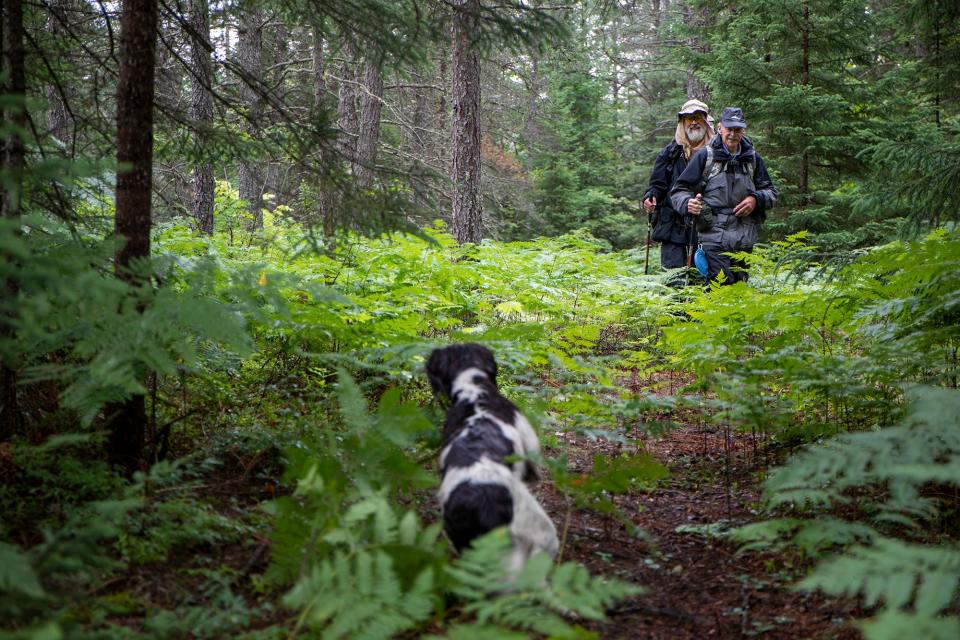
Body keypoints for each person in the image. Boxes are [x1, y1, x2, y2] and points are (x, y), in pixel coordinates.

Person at [670, 107, 778, 284]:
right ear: (720, 128)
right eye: (729, 129)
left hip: (744, 236)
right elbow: (679, 190)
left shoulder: (753, 159)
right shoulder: (705, 156)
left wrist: (755, 199)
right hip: (713, 234)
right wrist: (688, 203)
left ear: (743, 130)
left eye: (738, 130)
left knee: (739, 286)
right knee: (720, 284)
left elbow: (771, 192)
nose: (733, 134)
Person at [642, 99, 714, 276]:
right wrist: (650, 198)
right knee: (672, 281)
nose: (694, 122)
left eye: (697, 118)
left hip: (706, 229)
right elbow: (657, 184)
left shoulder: (717, 152)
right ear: (683, 123)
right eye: (689, 118)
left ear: (706, 121)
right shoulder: (671, 152)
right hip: (672, 227)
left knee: (703, 281)